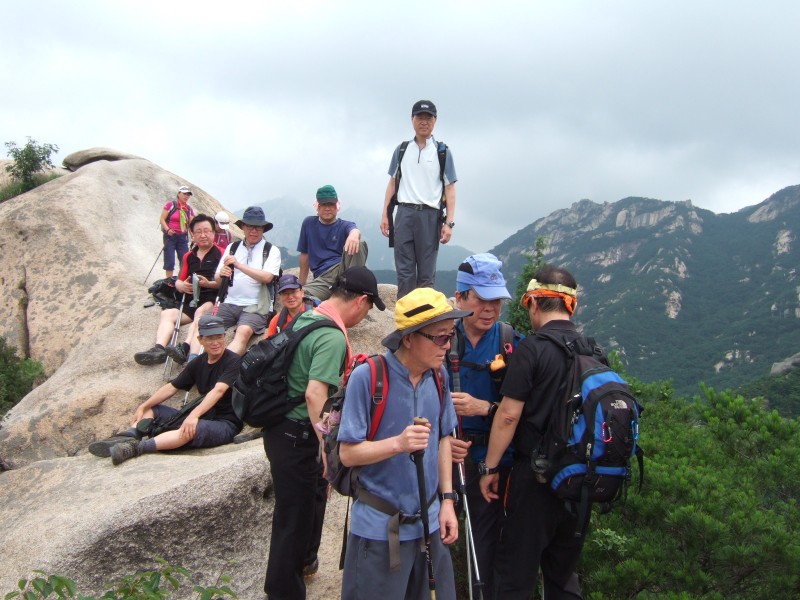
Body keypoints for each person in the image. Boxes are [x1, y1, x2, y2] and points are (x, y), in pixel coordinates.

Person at [338, 288, 471, 600]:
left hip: (429, 525)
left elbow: (443, 438)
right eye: (439, 337)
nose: (447, 345)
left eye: (450, 335)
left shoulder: (438, 378)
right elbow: (347, 454)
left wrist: (447, 501)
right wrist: (398, 443)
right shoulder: (368, 378)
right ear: (409, 338)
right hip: (379, 531)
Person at [262, 266, 385, 600]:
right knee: (294, 520)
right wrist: (328, 450)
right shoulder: (331, 336)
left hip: (280, 428)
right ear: (361, 301)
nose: (366, 314)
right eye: (369, 307)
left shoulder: (309, 316)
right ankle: (283, 592)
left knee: (300, 511)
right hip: (297, 436)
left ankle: (304, 564)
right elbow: (315, 395)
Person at [479, 265, 586, 599]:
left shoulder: (532, 349)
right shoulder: (591, 350)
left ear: (534, 303)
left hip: (535, 481)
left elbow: (508, 416)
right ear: (571, 306)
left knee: (515, 575)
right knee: (563, 577)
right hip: (580, 482)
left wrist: (490, 468)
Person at [446, 253, 523, 599]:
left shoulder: (511, 343)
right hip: (446, 458)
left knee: (486, 546)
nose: (490, 309)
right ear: (460, 297)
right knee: (439, 538)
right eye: (481, 299)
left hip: (493, 463)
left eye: (497, 300)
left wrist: (485, 408)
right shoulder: (440, 338)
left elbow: (525, 411)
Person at [92, 314, 243, 465]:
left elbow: (218, 391)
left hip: (225, 423)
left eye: (219, 337)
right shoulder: (198, 363)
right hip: (201, 416)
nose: (215, 342)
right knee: (152, 409)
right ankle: (130, 435)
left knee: (191, 429)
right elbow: (172, 387)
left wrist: (194, 415)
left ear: (224, 336)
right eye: (210, 338)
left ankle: (136, 448)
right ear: (200, 340)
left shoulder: (233, 361)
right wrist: (144, 405)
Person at [380, 100, 457, 298]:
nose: (424, 122)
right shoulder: (402, 150)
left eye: (428, 118)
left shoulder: (442, 152)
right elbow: (392, 183)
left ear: (435, 120)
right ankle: (405, 316)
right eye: (420, 117)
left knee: (426, 274)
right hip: (404, 214)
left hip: (430, 216)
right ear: (412, 119)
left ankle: (424, 316)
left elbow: (450, 188)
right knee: (404, 272)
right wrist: (385, 214)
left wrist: (449, 223)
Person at [134, 214, 222, 366]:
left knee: (201, 313)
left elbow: (225, 282)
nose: (203, 235)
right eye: (198, 231)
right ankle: (159, 349)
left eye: (207, 231)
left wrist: (209, 284)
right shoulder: (188, 256)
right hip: (190, 300)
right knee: (167, 314)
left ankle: (187, 350)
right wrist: (181, 286)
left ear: (214, 233)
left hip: (211, 300)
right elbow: (179, 280)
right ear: (192, 235)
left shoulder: (221, 253)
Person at [214, 206, 281, 355]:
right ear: (243, 227)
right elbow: (217, 280)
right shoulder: (232, 248)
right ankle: (194, 360)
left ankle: (225, 366)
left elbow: (267, 277)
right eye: (250, 226)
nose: (254, 231)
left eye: (258, 227)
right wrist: (221, 274)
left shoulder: (271, 250)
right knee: (209, 329)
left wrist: (238, 265)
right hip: (229, 302)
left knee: (242, 333)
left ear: (263, 229)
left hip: (256, 305)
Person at [297, 184, 368, 301]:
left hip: (344, 270)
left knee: (359, 244)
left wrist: (354, 235)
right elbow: (305, 254)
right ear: (318, 207)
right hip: (324, 277)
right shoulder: (308, 223)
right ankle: (341, 293)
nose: (327, 208)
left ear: (336, 206)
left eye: (331, 204)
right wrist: (301, 284)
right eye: (324, 205)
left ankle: (353, 290)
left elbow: (354, 230)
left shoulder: (345, 225)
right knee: (301, 296)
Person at [159, 185, 196, 278]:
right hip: (170, 236)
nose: (186, 196)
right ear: (178, 194)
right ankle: (169, 281)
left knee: (184, 260)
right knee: (170, 261)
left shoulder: (189, 209)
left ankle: (181, 280)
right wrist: (168, 229)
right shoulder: (170, 205)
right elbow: (162, 219)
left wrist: (193, 236)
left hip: (182, 237)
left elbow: (191, 225)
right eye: (184, 194)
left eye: (188, 195)